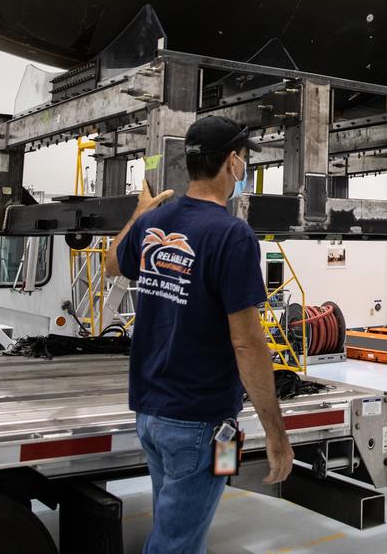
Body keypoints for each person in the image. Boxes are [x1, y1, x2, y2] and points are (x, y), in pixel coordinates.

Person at [105, 115, 294, 553]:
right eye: (244, 159)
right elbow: (246, 343)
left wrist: (140, 213)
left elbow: (111, 263)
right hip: (199, 422)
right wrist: (275, 432)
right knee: (176, 544)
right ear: (232, 162)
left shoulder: (158, 221)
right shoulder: (232, 235)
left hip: (151, 414)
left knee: (178, 526)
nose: (243, 168)